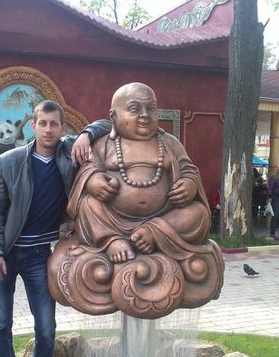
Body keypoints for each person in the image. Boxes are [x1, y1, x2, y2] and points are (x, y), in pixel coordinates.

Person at [0, 100, 110, 357]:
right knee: (1, 324)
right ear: (34, 126)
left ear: (62, 127)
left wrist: (86, 134)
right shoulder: (9, 162)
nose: (48, 129)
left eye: (54, 124)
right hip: (6, 254)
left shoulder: (69, 154)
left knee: (46, 326)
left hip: (39, 256)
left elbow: (107, 124)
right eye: (43, 123)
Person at [67, 82, 211, 263]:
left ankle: (152, 233)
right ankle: (112, 240)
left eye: (151, 109)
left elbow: (188, 169)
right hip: (114, 220)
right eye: (134, 109)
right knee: (88, 204)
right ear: (113, 116)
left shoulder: (170, 142)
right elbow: (88, 168)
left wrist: (189, 184)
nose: (145, 115)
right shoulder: (103, 144)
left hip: (163, 216)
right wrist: (93, 180)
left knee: (199, 213)